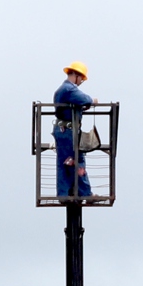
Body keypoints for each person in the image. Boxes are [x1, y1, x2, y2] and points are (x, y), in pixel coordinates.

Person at [53, 64, 94, 198]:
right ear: (76, 76)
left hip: (65, 130)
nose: (81, 82)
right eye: (81, 79)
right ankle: (84, 194)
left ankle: (66, 193)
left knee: (66, 162)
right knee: (74, 161)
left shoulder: (64, 90)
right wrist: (92, 101)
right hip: (68, 131)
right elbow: (85, 99)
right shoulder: (69, 89)